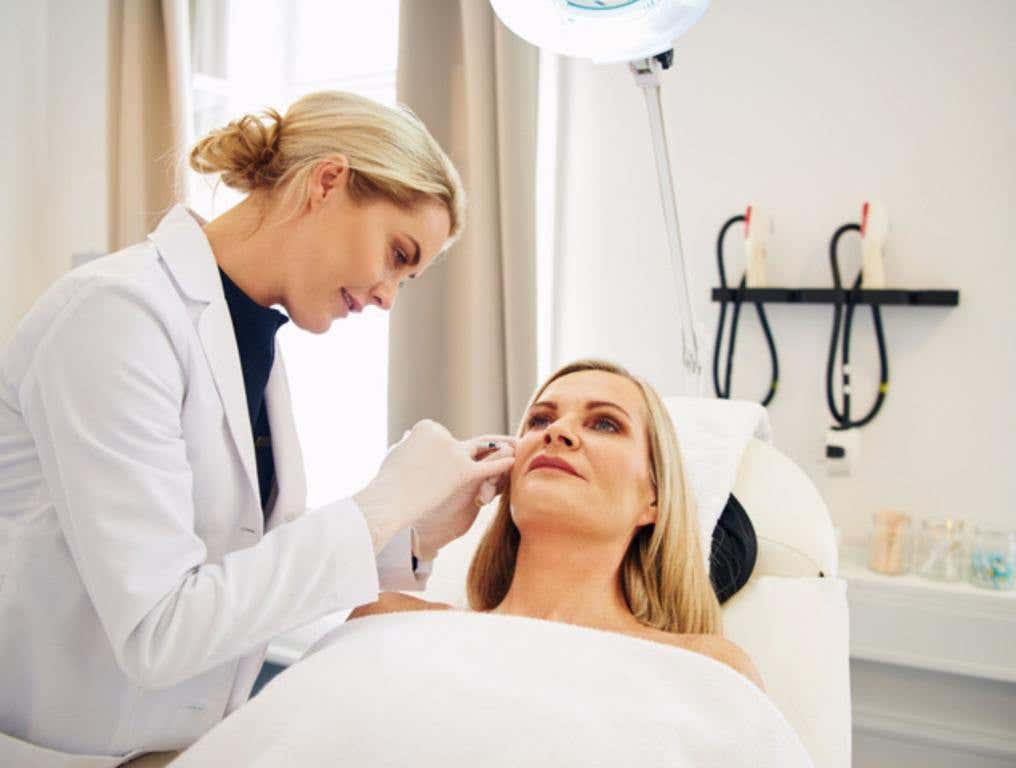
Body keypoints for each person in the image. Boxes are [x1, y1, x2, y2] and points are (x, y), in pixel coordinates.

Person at [0, 90, 516, 767]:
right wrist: (381, 504)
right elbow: (160, 628)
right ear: (327, 182)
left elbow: (239, 579)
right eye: (396, 253)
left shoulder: (253, 346)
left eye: (408, 278)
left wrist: (412, 531)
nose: (389, 296)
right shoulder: (118, 316)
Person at [348, 358, 764, 691]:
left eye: (605, 423)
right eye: (540, 420)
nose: (559, 432)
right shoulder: (386, 620)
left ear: (653, 498)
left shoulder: (707, 669)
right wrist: (419, 533)